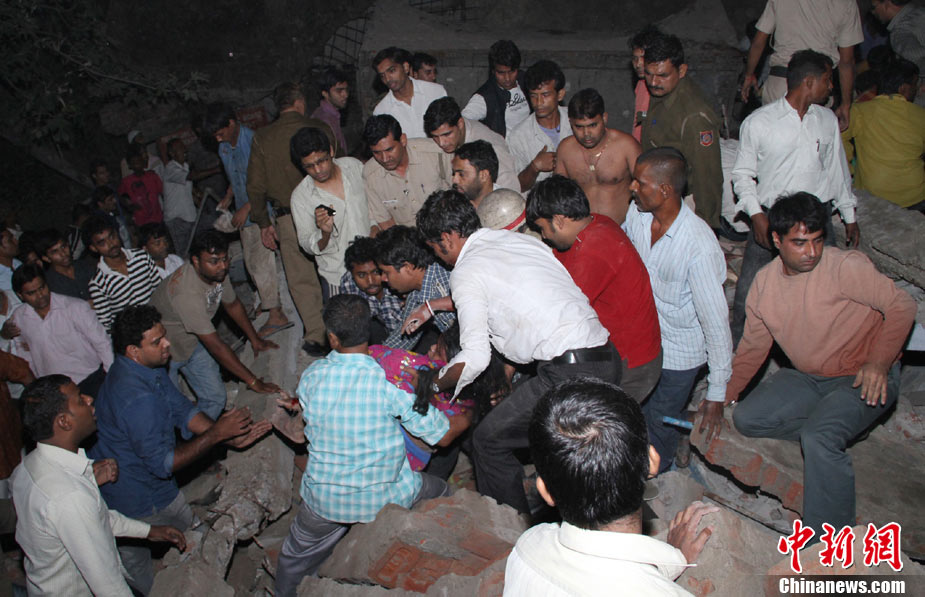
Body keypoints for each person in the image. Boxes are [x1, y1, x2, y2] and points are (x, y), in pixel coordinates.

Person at [702, 193, 916, 534]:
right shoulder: (765, 285)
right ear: (777, 240)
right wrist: (721, 396)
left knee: (819, 437)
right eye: (800, 243)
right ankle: (839, 429)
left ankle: (828, 540)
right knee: (747, 418)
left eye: (817, 241)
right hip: (812, 377)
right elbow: (753, 349)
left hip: (864, 376)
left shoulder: (845, 267)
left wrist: (879, 362)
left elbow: (902, 306)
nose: (812, 252)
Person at [416, 191, 620, 513]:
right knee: (570, 448)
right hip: (606, 357)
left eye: (434, 248)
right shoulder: (518, 242)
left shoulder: (466, 271)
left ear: (447, 238)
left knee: (488, 441)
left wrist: (432, 383)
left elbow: (474, 357)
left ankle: (509, 526)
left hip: (568, 373)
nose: (438, 258)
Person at [273, 295, 467, 596]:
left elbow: (308, 414)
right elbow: (441, 435)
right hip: (384, 497)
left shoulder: (312, 377)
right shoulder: (388, 386)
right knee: (440, 491)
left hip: (325, 500)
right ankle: (452, 541)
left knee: (295, 555)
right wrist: (469, 411)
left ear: (332, 337)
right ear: (367, 331)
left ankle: (285, 591)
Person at [89, 306, 271, 594]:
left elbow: (181, 408)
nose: (167, 344)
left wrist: (226, 437)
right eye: (157, 341)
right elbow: (163, 464)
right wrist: (217, 435)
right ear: (133, 351)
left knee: (185, 529)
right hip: (136, 495)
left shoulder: (146, 368)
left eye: (164, 336)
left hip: (151, 484)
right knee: (137, 563)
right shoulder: (135, 399)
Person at [504, 378, 719, 596]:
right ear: (652, 461)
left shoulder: (527, 548)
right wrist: (673, 558)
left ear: (545, 492)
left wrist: (670, 562)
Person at [10, 375, 186, 596]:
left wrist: (148, 531)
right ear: (64, 421)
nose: (89, 399)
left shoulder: (27, 467)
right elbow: (107, 585)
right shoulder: (69, 496)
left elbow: (94, 517)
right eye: (79, 400)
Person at [731, 50, 859, 346]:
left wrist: (849, 215)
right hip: (773, 217)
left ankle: (817, 350)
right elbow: (742, 175)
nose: (832, 87)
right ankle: (739, 354)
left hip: (816, 217)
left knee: (825, 289)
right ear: (809, 82)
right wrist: (757, 215)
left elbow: (837, 170)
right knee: (751, 291)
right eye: (828, 80)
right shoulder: (760, 122)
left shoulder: (826, 119)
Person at [623, 148, 732, 473]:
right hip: (645, 339)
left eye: (640, 183)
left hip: (679, 353)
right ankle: (667, 440)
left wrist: (717, 392)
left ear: (665, 190)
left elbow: (716, 322)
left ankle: (656, 474)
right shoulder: (638, 216)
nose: (632, 187)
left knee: (658, 421)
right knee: (638, 411)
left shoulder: (698, 245)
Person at [526, 175, 662, 403]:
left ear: (559, 221)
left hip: (632, 363)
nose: (544, 236)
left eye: (542, 229)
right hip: (626, 349)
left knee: (601, 420)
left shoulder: (594, 249)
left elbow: (558, 314)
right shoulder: (595, 222)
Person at [149, 231, 282, 419]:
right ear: (196, 261)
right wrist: (254, 382)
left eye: (225, 259)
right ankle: (193, 434)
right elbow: (216, 346)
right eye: (214, 261)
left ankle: (204, 431)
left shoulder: (216, 273)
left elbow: (232, 304)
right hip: (163, 354)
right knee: (174, 410)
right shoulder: (186, 294)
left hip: (193, 342)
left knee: (215, 398)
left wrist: (255, 339)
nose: (223, 266)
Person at [246, 82, 337, 356]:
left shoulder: (263, 137)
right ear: (300, 102)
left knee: (301, 278)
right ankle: (344, 330)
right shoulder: (319, 127)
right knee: (336, 268)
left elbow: (255, 186)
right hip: (328, 207)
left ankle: (317, 336)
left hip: (288, 217)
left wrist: (263, 222)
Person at [204, 102, 291, 338]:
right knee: (252, 263)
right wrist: (229, 197)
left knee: (261, 261)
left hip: (263, 209)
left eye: (220, 133)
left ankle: (277, 314)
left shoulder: (254, 142)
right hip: (245, 211)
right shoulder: (223, 148)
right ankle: (268, 300)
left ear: (232, 123)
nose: (218, 139)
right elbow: (236, 177)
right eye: (215, 136)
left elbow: (268, 180)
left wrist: (247, 207)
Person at [640, 33, 724, 231]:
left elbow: (707, 176)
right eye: (649, 74)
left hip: (684, 203)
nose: (653, 82)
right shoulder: (662, 92)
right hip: (660, 194)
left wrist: (706, 225)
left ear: (682, 70)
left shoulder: (695, 117)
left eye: (663, 75)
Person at [741, 0, 863, 128]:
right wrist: (846, 104)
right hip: (818, 88)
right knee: (811, 138)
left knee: (775, 136)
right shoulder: (846, 3)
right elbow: (846, 61)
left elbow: (758, 42)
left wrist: (749, 74)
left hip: (782, 84)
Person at [290, 127, 370, 300]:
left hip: (375, 266)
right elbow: (307, 244)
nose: (318, 170)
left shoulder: (353, 167)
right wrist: (324, 233)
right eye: (309, 166)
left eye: (322, 161)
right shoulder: (301, 197)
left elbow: (375, 207)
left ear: (331, 151)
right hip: (338, 275)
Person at [10, 264, 112, 398]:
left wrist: (111, 377)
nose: (40, 295)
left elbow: (102, 343)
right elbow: (24, 351)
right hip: (54, 391)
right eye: (31, 293)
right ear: (20, 295)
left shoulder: (75, 307)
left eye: (42, 288)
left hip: (90, 380)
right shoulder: (19, 317)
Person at [842, 59, 925, 211]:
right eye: (914, 85)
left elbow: (838, 139)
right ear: (903, 88)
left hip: (875, 195)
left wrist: (848, 172)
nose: (916, 89)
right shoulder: (920, 115)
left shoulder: (860, 111)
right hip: (916, 195)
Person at [555, 88, 642, 224]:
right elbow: (558, 195)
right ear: (570, 123)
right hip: (582, 228)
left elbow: (646, 189)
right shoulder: (565, 149)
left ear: (604, 118)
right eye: (579, 127)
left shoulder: (626, 146)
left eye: (593, 125)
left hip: (623, 228)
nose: (586, 134)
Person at [362, 115, 450, 232]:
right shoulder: (371, 175)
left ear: (403, 140)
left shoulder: (435, 153)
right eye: (377, 153)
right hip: (409, 239)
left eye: (389, 150)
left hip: (448, 229)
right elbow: (386, 222)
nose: (384, 158)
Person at [375, 225, 455, 351]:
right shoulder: (416, 296)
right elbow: (400, 339)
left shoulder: (446, 277)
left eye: (386, 272)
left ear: (407, 267)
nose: (383, 278)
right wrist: (375, 356)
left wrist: (432, 306)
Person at [423, 96, 520, 191]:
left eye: (447, 134)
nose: (441, 143)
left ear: (460, 124)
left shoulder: (490, 148)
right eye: (435, 136)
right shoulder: (456, 134)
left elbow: (510, 191)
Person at [85, 216, 161, 331]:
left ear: (117, 233)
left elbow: (160, 289)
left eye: (112, 236)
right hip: (134, 336)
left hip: (160, 322)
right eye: (102, 243)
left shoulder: (141, 257)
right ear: (93, 248)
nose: (111, 244)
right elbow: (106, 324)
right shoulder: (98, 283)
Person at [508, 60, 573, 192]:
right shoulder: (518, 136)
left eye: (545, 95)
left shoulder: (576, 122)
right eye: (533, 96)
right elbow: (516, 187)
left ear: (560, 94)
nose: (538, 102)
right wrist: (534, 167)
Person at [338, 236, 404, 344]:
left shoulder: (400, 281)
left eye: (376, 272)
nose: (370, 281)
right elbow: (353, 328)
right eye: (361, 275)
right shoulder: (348, 283)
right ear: (352, 275)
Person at [372, 47, 447, 139]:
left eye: (392, 71)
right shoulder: (382, 110)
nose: (387, 79)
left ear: (405, 67)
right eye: (382, 76)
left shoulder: (436, 92)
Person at [462, 40, 531, 138]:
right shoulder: (485, 97)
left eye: (512, 71)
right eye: (501, 73)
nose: (507, 78)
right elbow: (461, 123)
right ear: (493, 71)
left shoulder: (527, 82)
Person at [870, 0, 925, 104]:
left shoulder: (901, 31)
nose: (873, 12)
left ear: (887, 3)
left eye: (873, 7)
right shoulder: (921, 12)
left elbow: (917, 59)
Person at [33, 228, 95, 301]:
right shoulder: (50, 284)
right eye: (55, 252)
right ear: (46, 258)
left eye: (63, 246)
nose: (63, 253)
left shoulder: (85, 266)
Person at [162, 139, 197, 257]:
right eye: (180, 148)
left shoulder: (185, 166)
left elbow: (187, 190)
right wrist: (216, 169)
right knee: (183, 254)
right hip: (177, 220)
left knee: (193, 252)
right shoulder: (170, 168)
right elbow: (191, 177)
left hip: (188, 217)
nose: (185, 150)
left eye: (184, 147)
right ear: (172, 154)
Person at [629, 26, 663, 142]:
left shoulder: (663, 87)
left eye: (643, 58)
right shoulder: (640, 85)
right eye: (635, 58)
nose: (638, 64)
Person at [118, 145, 164, 229]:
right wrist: (129, 205)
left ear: (143, 162)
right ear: (130, 166)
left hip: (157, 218)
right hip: (141, 222)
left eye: (139, 161)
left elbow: (163, 192)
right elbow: (120, 196)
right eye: (134, 163)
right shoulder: (126, 181)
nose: (137, 165)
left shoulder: (152, 176)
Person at [311, 66, 350, 155]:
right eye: (339, 91)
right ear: (325, 93)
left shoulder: (333, 115)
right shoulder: (324, 120)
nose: (345, 95)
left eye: (346, 89)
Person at [452, 141, 501, 209]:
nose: (454, 180)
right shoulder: (452, 203)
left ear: (483, 175)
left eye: (461, 174)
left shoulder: (507, 207)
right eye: (453, 173)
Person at [91, 185, 133, 250]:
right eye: (110, 200)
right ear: (100, 204)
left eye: (114, 197)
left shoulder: (113, 213)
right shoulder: (102, 221)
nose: (114, 201)